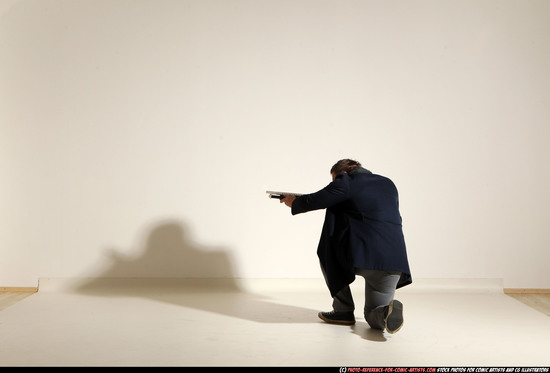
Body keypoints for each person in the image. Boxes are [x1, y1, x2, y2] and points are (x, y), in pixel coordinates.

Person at [280, 159, 412, 334]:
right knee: (373, 312)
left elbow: (321, 198)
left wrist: (295, 201)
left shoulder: (347, 181)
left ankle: (343, 311)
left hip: (360, 258)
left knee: (326, 252)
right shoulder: (388, 184)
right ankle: (386, 313)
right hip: (393, 261)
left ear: (344, 172)